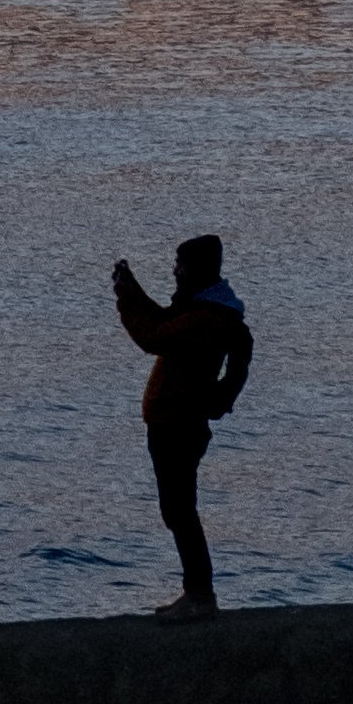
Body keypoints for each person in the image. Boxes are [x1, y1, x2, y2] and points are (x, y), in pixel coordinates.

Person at [108, 231, 252, 615]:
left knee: (180, 510)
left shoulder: (205, 318)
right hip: (176, 423)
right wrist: (132, 288)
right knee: (177, 509)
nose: (175, 272)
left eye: (180, 265)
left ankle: (200, 594)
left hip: (179, 425)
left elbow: (151, 335)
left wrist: (125, 295)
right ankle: (197, 592)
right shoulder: (203, 310)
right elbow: (161, 320)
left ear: (195, 270)